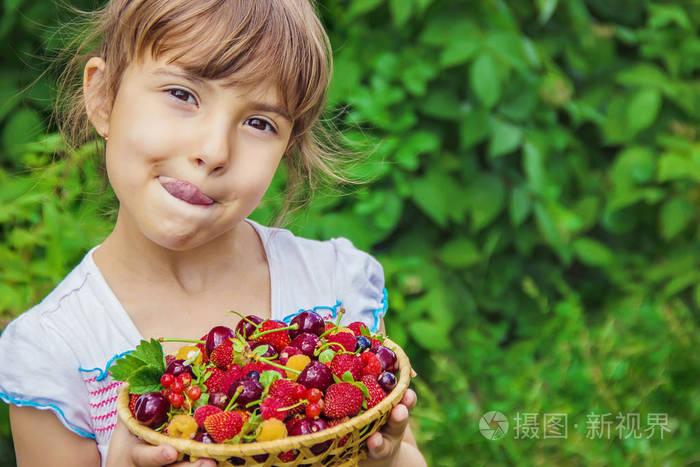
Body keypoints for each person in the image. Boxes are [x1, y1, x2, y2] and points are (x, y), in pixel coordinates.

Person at [0, 1, 427, 466]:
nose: (213, 150)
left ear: (287, 151)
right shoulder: (59, 351)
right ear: (104, 96)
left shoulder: (335, 291)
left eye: (259, 123)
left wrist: (380, 461)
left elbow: (405, 457)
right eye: (183, 94)